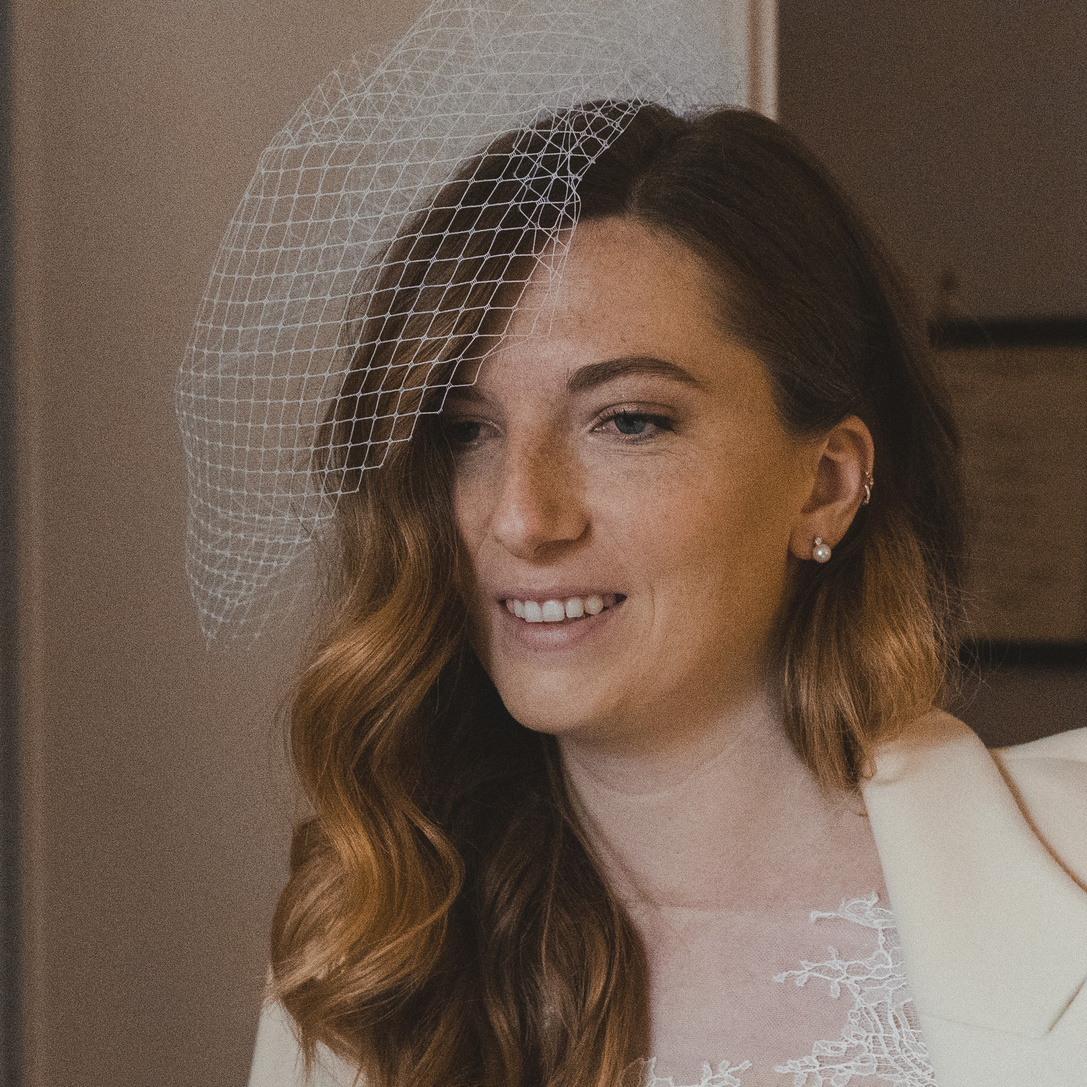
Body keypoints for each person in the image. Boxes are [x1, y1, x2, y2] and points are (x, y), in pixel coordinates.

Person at [177, 6, 1087, 1087]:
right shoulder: (370, 961)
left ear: (826, 481)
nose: (523, 516)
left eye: (628, 421)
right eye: (467, 432)